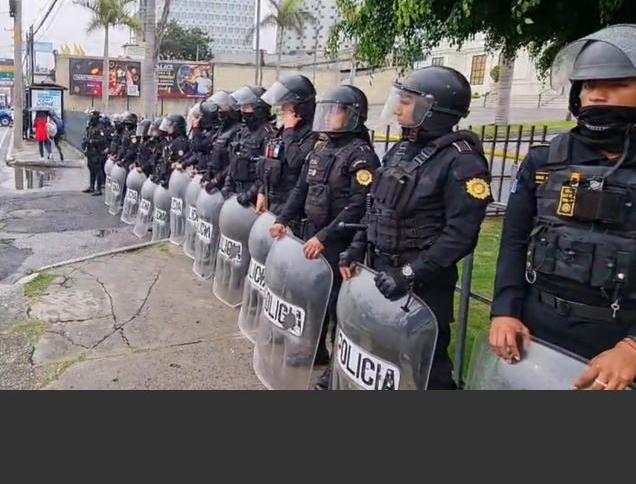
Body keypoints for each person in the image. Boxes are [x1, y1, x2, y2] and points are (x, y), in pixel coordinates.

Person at [489, 25, 636, 390]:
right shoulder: (545, 161)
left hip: (617, 343)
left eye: (618, 85)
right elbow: (514, 241)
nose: (597, 95)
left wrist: (632, 347)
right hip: (538, 332)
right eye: (588, 85)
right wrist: (504, 310)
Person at [340, 66, 491, 390]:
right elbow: (377, 207)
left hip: (424, 284)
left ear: (432, 109)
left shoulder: (462, 161)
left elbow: (461, 235)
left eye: (407, 102)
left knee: (428, 365)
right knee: (382, 356)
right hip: (382, 270)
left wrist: (410, 274)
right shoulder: (401, 150)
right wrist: (356, 246)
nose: (398, 109)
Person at [270, 85, 380, 388]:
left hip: (339, 242)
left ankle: (336, 370)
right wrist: (282, 219)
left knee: (337, 307)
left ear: (353, 115)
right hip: (313, 236)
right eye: (327, 110)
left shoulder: (361, 156)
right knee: (312, 297)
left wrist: (325, 237)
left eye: (336, 111)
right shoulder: (320, 150)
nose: (329, 116)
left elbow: (358, 206)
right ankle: (316, 350)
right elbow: (300, 190)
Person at [255, 75, 319, 219]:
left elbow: (295, 161)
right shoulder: (283, 130)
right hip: (274, 200)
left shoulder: (313, 133)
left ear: (300, 107)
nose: (283, 108)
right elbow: (270, 162)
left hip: (294, 208)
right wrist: (262, 192)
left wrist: (289, 130)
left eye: (287, 104)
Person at [223, 86, 275, 205]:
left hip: (254, 197)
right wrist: (227, 185)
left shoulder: (269, 134)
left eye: (247, 107)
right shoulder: (243, 132)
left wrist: (250, 194)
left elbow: (267, 172)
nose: (243, 111)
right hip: (236, 192)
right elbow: (234, 161)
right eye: (242, 107)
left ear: (259, 109)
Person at [201, 91, 241, 194]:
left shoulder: (237, 131)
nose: (219, 112)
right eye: (217, 109)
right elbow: (212, 155)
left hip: (227, 185)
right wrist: (208, 174)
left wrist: (216, 180)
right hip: (217, 183)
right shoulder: (221, 130)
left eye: (221, 108)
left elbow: (232, 163)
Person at [154, 114, 190, 185]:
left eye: (170, 125)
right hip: (165, 178)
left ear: (176, 126)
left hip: (173, 180)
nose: (167, 127)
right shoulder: (172, 141)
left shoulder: (181, 142)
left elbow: (178, 162)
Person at [82, 110, 108, 195]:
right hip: (90, 151)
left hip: (97, 151)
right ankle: (91, 186)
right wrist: (85, 144)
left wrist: (92, 141)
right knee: (91, 169)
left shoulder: (100, 127)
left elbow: (103, 140)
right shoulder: (90, 126)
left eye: (92, 117)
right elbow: (87, 136)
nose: (91, 119)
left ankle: (98, 189)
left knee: (98, 170)